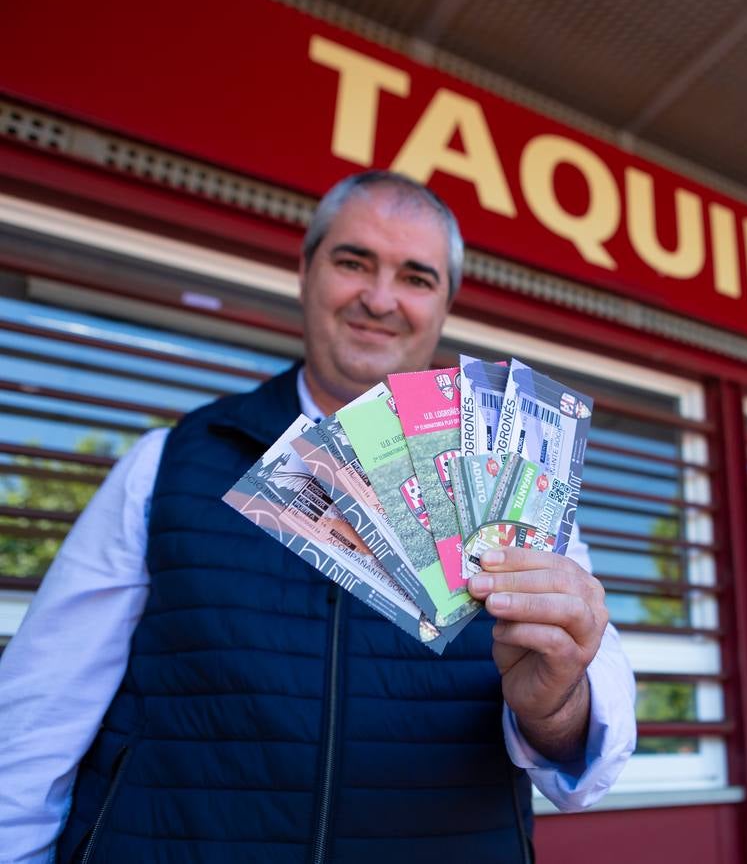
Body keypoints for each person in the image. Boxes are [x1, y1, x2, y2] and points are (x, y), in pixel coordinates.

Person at [0, 170, 636, 863]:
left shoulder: (514, 491)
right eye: (353, 262)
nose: (380, 298)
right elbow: (36, 721)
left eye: (416, 277)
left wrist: (555, 707)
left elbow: (591, 766)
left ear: (445, 305)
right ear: (305, 273)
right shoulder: (169, 464)